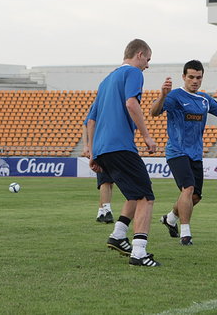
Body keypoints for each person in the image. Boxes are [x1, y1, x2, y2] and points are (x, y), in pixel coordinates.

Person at [150, 59, 217, 245]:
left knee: (195, 196)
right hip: (177, 152)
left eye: (198, 77)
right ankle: (186, 234)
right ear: (184, 77)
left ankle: (170, 219)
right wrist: (162, 95)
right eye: (191, 77)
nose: (195, 81)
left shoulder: (204, 99)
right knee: (188, 188)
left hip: (196, 154)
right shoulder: (174, 96)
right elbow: (154, 112)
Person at [86, 38, 161, 267]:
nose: (147, 65)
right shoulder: (134, 73)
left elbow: (91, 119)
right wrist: (147, 135)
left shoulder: (106, 80)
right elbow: (131, 104)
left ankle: (118, 235)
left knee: (133, 194)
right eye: (147, 60)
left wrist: (92, 153)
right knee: (146, 197)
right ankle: (139, 253)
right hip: (120, 145)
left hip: (103, 149)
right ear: (139, 55)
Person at [82, 114, 114, 224]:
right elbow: (87, 124)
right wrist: (86, 145)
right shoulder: (99, 104)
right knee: (105, 180)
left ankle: (101, 212)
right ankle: (107, 210)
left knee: (109, 181)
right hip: (100, 147)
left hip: (110, 146)